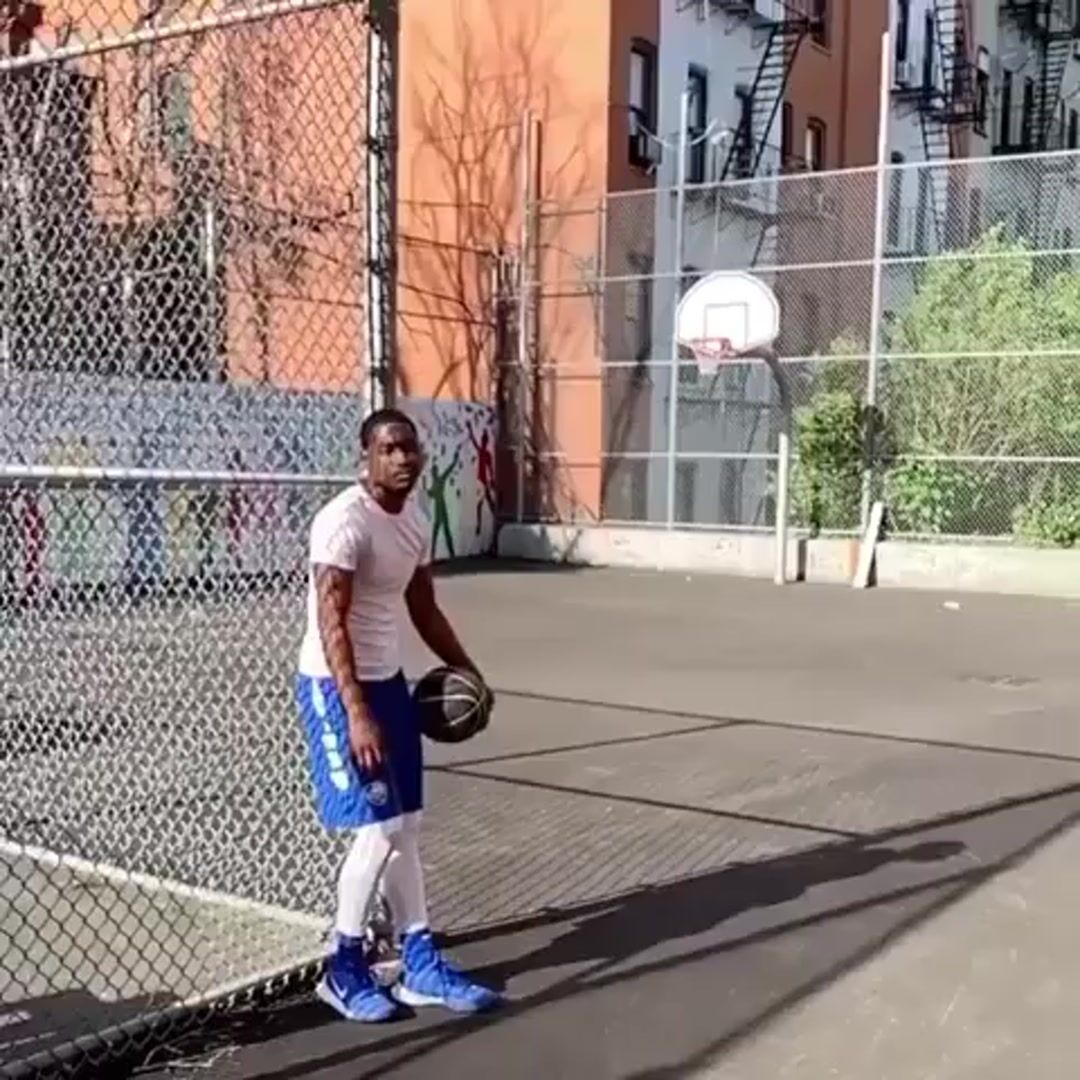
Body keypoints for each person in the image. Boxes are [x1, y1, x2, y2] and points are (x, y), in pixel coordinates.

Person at [294, 408, 501, 1023]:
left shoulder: (411, 521)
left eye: (410, 448)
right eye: (388, 448)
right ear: (366, 457)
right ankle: (343, 968)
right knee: (380, 829)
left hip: (388, 683)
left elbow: (424, 608)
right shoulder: (343, 522)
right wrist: (356, 713)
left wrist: (469, 670)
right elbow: (331, 624)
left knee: (407, 825)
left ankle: (419, 963)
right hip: (336, 687)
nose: (403, 458)